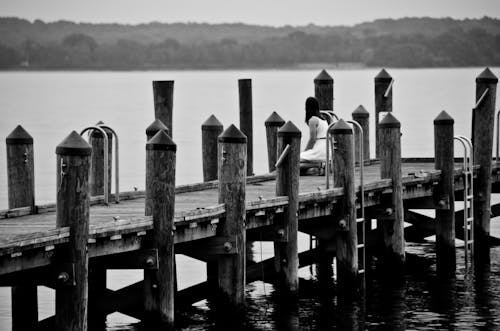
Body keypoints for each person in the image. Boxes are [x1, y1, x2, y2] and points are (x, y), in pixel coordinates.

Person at [300, 96, 329, 174]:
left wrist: (305, 151)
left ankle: (320, 165)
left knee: (296, 158)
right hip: (327, 151)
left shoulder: (312, 120)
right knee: (303, 159)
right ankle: (319, 167)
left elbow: (312, 139)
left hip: (319, 151)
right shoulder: (324, 119)